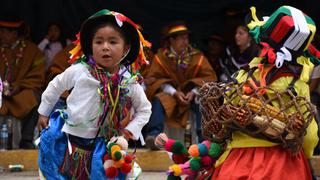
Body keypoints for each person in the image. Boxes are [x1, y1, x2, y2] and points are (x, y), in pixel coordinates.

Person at [206, 6, 319, 179]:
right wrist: (306, 154)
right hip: (282, 166)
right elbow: (309, 135)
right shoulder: (297, 85)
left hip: (237, 162)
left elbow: (225, 118)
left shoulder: (243, 76)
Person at [37, 9, 152, 179]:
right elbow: (55, 86)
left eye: (113, 42)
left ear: (126, 48)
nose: (105, 47)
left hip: (104, 142)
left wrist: (127, 132)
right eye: (99, 42)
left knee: (102, 174)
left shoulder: (129, 81)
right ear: (90, 46)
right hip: (70, 137)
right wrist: (43, 112)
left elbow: (145, 109)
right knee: (54, 155)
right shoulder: (79, 71)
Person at [145, 21, 217, 150]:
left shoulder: (197, 56)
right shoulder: (161, 57)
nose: (185, 42)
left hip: (191, 95)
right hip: (171, 95)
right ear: (172, 40)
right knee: (159, 99)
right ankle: (154, 135)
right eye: (181, 38)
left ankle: (204, 139)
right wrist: (174, 92)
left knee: (202, 100)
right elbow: (156, 79)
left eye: (187, 38)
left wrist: (194, 91)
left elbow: (209, 77)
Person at [0, 15, 46, 149]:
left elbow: (38, 77)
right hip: (1, 92)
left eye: (3, 31)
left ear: (14, 33)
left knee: (31, 98)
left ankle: (26, 140)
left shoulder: (33, 51)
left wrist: (19, 87)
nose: (0, 34)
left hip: (22, 90)